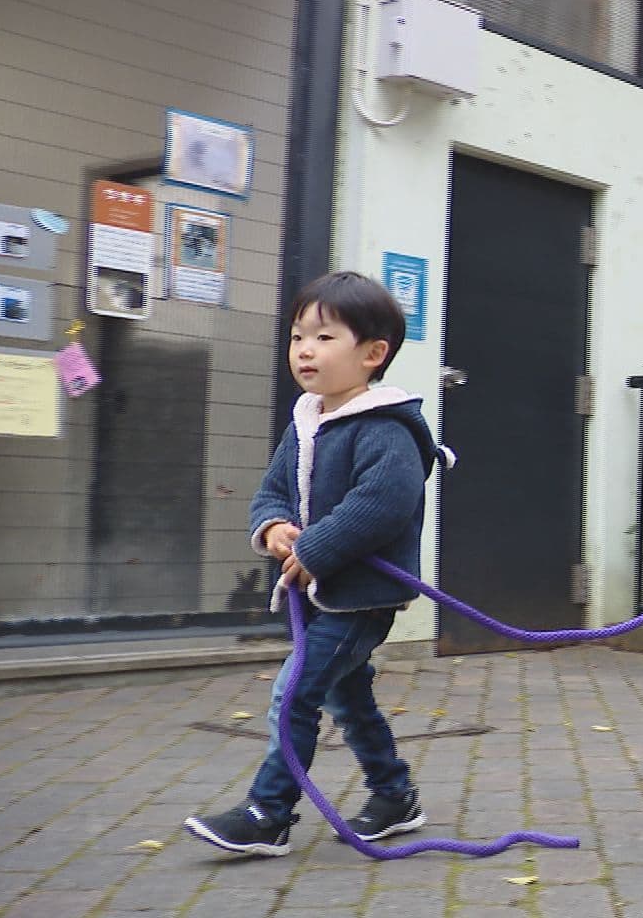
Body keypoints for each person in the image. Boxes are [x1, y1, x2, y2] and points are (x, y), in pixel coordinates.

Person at [185, 271, 447, 856]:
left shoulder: (386, 428)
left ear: (372, 354)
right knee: (348, 698)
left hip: (362, 598)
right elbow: (274, 490)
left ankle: (268, 812)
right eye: (298, 336)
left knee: (295, 692)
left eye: (325, 338)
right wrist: (274, 526)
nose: (305, 349)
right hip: (319, 594)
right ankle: (395, 796)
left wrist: (313, 549)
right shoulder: (306, 421)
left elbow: (380, 505)